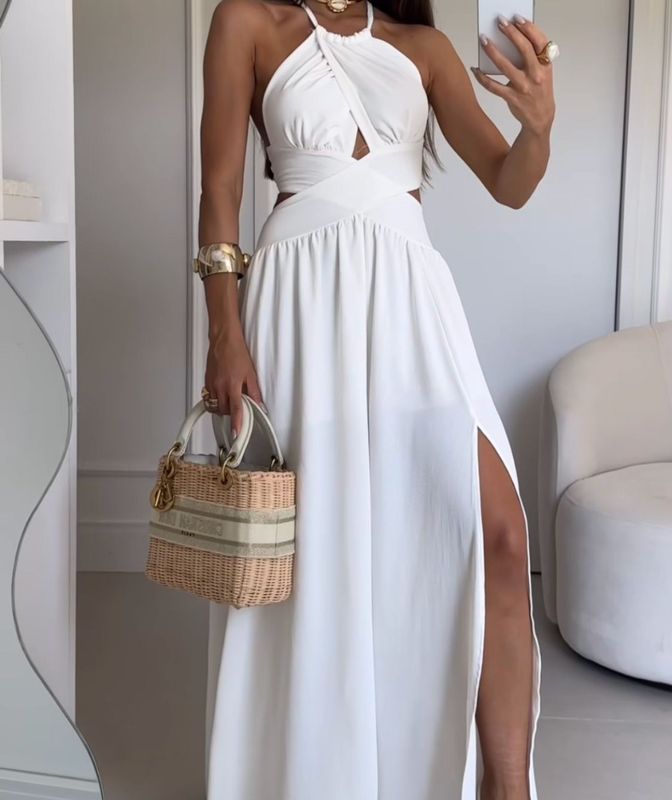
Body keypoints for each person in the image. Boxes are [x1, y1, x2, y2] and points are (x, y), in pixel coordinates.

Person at [198, 1, 556, 798]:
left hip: (412, 304)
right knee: (320, 555)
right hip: (299, 306)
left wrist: (538, 128)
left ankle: (505, 788)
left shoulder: (421, 47)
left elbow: (509, 183)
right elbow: (218, 189)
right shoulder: (248, 23)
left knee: (498, 535)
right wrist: (225, 337)